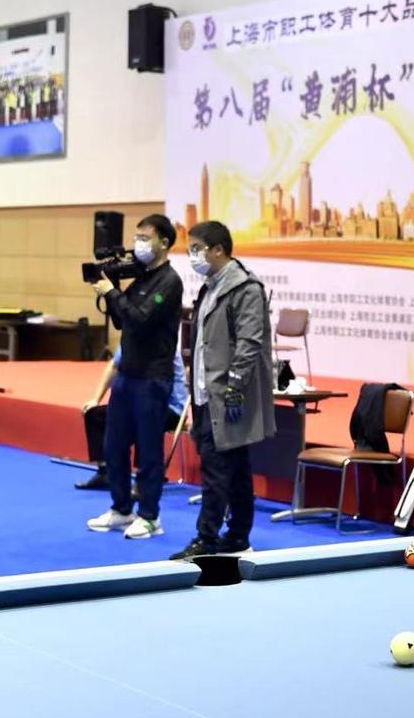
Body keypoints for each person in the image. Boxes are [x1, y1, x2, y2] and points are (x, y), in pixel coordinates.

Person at [175, 220, 275, 559]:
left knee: (216, 471)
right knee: (234, 468)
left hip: (228, 395)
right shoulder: (209, 288)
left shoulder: (245, 288)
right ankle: (237, 536)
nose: (193, 255)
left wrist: (235, 385)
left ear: (218, 250)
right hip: (206, 394)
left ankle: (207, 538)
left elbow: (249, 342)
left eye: (197, 248)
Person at [86, 215, 184, 541]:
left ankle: (150, 516)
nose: (138, 243)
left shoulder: (169, 282)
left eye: (145, 237)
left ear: (164, 243)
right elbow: (122, 321)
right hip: (127, 375)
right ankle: (121, 509)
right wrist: (111, 292)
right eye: (137, 237)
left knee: (148, 450)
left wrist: (112, 293)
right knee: (113, 447)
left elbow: (141, 320)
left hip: (152, 377)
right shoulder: (140, 278)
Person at [77, 347, 189, 490]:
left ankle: (146, 477)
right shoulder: (131, 340)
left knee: (144, 415)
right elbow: (113, 366)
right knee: (95, 414)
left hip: (171, 408)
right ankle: (106, 472)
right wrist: (95, 399)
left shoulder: (163, 344)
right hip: (140, 402)